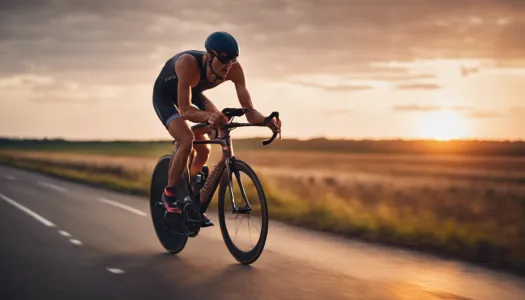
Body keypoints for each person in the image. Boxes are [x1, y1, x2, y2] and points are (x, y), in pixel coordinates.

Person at [152, 31, 281, 227]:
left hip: (193, 92)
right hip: (165, 96)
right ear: (210, 55)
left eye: (233, 60)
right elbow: (185, 110)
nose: (228, 65)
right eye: (223, 59)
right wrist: (208, 116)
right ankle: (169, 193)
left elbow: (250, 111)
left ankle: (195, 197)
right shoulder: (188, 63)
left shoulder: (234, 70)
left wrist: (266, 121)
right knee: (187, 139)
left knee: (213, 135)